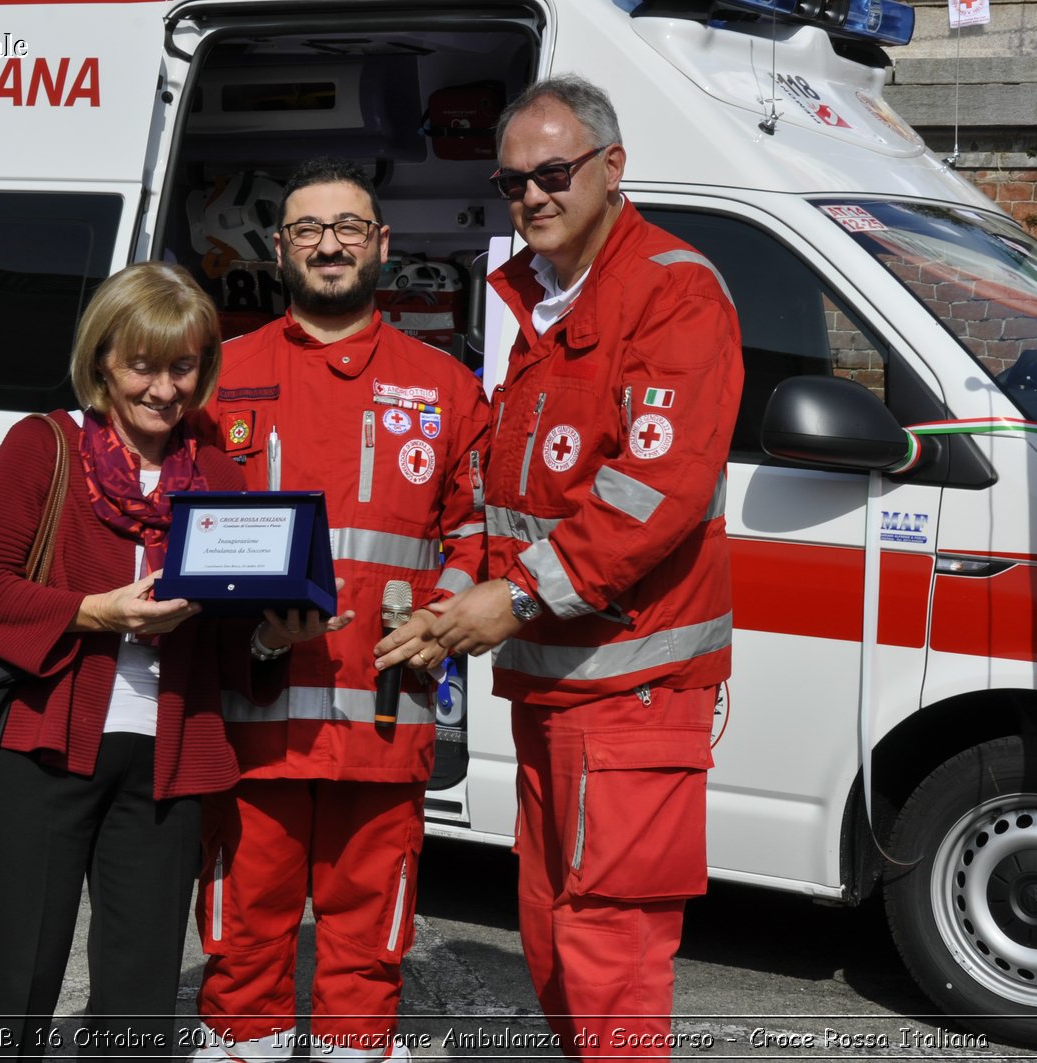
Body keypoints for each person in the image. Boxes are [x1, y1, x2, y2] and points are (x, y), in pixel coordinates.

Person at [374, 76, 743, 1059]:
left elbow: (651, 491)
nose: (531, 196)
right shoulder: (545, 303)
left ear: (611, 168)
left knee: (606, 948)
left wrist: (519, 595)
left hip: (629, 688)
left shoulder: (670, 289)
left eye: (551, 172)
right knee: (552, 934)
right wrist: (453, 599)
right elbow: (513, 501)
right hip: (557, 687)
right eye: (511, 182)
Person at [0, 262, 335, 1059]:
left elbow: (227, 639)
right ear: (103, 362)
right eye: (144, 365)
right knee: (8, 982)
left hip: (166, 764)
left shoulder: (217, 471)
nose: (165, 388)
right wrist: (93, 612)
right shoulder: (42, 446)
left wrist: (271, 637)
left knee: (139, 998)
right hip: (42, 750)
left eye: (184, 365)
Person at [188, 157, 488, 1063]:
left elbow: (475, 533)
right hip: (254, 713)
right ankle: (244, 1047)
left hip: (382, 712)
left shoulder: (447, 386)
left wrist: (439, 617)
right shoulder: (219, 376)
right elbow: (181, 526)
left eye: (349, 228)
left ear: (381, 245)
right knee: (245, 930)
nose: (329, 245)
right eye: (309, 229)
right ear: (279, 247)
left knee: (367, 939)